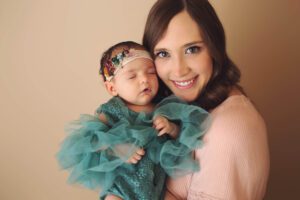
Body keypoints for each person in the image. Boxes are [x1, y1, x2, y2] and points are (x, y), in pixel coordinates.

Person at [142, 0, 270, 199]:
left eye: (191, 49)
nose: (179, 70)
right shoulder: (184, 108)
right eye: (163, 53)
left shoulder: (229, 129)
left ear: (214, 47)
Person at [57, 41, 210, 200]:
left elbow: (183, 140)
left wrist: (171, 128)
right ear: (112, 88)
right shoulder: (112, 110)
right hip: (120, 191)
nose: (144, 79)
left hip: (157, 191)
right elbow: (89, 141)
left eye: (151, 72)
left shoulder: (164, 109)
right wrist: (116, 147)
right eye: (132, 76)